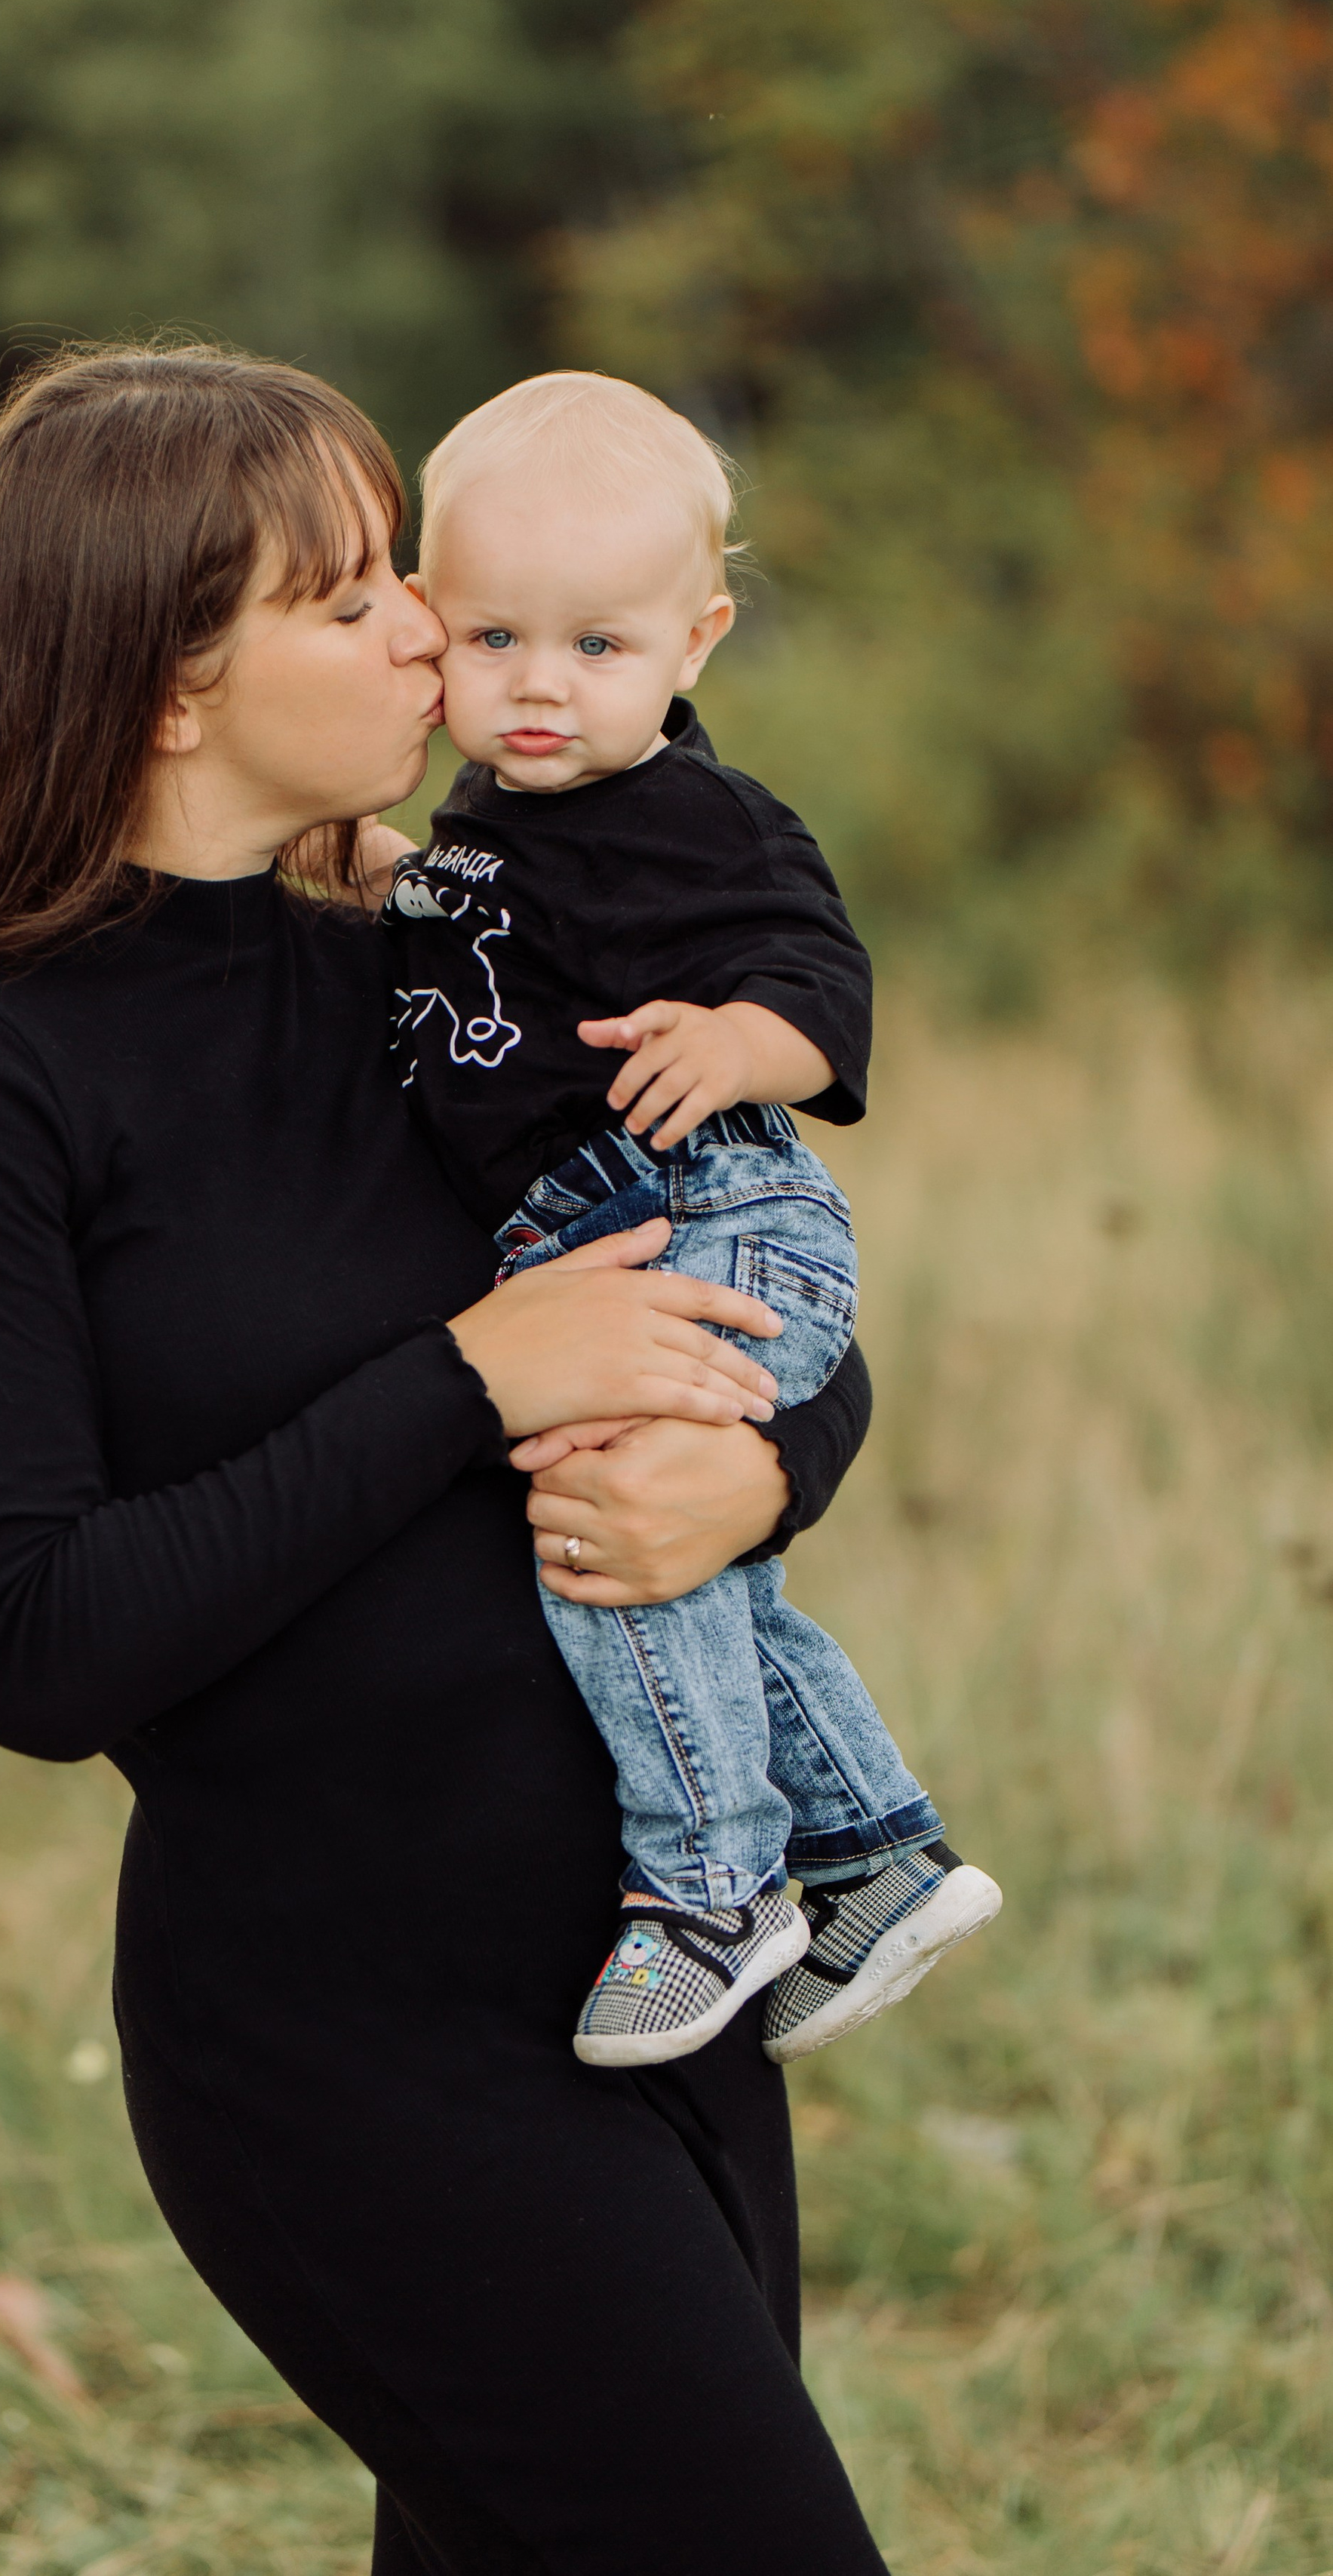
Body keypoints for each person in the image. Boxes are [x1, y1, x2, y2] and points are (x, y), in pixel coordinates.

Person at [0, 344, 893, 2574]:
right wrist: (468, 1378)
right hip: (348, 2043)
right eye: (352, 590)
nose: (424, 631)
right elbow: (29, 1646)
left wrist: (761, 1480)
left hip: (662, 1953)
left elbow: (754, 1285)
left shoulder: (442, 949)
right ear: (174, 684)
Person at [373, 371, 1000, 2072]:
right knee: (701, 1566)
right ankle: (870, 1856)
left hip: (708, 1201)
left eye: (596, 647)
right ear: (427, 618)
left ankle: (710, 1888)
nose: (538, 689)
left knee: (605, 1514)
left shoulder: (687, 815)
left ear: (696, 639)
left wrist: (739, 1039)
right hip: (609, 1227)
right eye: (493, 638)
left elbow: (822, 982)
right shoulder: (485, 815)